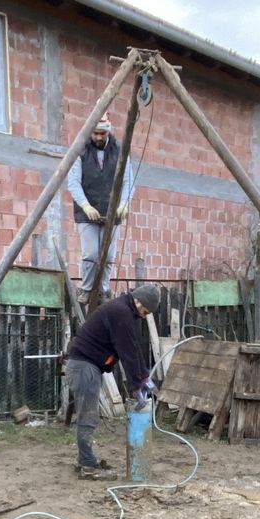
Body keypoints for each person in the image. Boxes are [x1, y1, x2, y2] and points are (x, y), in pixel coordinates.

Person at [66, 284, 159, 479]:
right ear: (138, 300)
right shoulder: (121, 313)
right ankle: (87, 466)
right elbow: (127, 352)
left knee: (88, 414)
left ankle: (86, 459)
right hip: (85, 367)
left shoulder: (123, 311)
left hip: (86, 365)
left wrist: (144, 377)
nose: (144, 315)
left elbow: (133, 347)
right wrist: (136, 386)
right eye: (145, 311)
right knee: (88, 416)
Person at [67, 112, 134, 304]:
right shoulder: (81, 151)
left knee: (109, 255)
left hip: (112, 212)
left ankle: (104, 289)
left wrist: (124, 202)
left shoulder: (120, 151)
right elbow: (73, 182)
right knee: (91, 254)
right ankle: (87, 289)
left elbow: (128, 180)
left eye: (102, 134)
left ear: (108, 132)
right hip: (87, 213)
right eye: (95, 133)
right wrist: (85, 205)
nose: (98, 137)